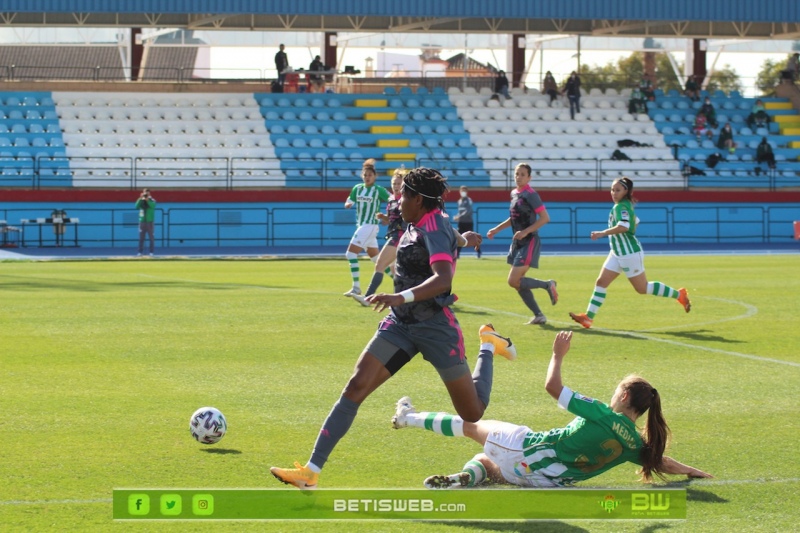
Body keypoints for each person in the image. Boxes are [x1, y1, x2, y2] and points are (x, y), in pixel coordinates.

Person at [270, 167, 514, 490]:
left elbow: (443, 278)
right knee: (356, 387)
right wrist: (465, 239)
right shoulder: (422, 222)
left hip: (435, 327)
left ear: (419, 199)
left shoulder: (434, 225)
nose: (397, 200)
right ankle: (311, 472)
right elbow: (453, 237)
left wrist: (399, 295)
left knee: (472, 412)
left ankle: (487, 344)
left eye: (403, 195)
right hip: (400, 325)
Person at [391, 330, 712, 489]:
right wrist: (691, 470)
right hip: (545, 480)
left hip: (525, 449)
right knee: (486, 464)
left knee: (469, 424)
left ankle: (408, 417)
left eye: (617, 390)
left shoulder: (602, 413)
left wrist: (558, 354)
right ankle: (463, 478)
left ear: (625, 396)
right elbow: (661, 461)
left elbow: (552, 388)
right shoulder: (634, 444)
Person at [569, 177, 691, 329]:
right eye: (612, 189)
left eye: (618, 190)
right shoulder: (623, 206)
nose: (613, 193)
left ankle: (680, 295)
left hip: (629, 253)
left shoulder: (621, 207)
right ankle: (588, 317)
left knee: (642, 288)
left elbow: (625, 226)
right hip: (617, 252)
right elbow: (635, 221)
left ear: (626, 191)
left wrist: (602, 233)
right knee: (601, 282)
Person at [486, 163, 558, 325]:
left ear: (529, 178)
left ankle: (547, 284)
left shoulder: (531, 195)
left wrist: (525, 232)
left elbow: (545, 218)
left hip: (530, 241)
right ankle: (539, 315)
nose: (519, 177)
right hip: (518, 243)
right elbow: (514, 218)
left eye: (522, 174)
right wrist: (497, 229)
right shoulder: (514, 193)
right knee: (518, 283)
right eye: (517, 174)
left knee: (513, 280)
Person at [352, 167, 407, 307]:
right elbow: (392, 220)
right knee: (397, 272)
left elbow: (409, 219)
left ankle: (367, 297)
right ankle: (407, 299)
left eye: (399, 184)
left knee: (380, 264)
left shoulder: (405, 200)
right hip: (395, 234)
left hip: (400, 237)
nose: (396, 186)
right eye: (394, 183)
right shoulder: (392, 200)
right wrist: (384, 218)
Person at [342, 159, 391, 298]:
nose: (367, 177)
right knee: (377, 260)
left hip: (370, 225)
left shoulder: (378, 190)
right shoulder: (357, 188)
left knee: (350, 254)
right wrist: (348, 204)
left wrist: (388, 216)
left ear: (375, 176)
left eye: (370, 175)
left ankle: (356, 287)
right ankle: (400, 282)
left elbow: (393, 200)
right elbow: (350, 199)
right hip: (363, 225)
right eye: (365, 175)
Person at [454, 185, 481, 259]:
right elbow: (460, 212)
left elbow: (468, 211)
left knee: (472, 237)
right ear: (459, 191)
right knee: (459, 237)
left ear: (467, 192)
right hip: (461, 222)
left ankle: (478, 252)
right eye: (462, 190)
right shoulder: (459, 201)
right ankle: (457, 254)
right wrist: (457, 216)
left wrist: (459, 216)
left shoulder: (469, 200)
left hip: (468, 222)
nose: (463, 192)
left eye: (464, 190)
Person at [135, 188, 156, 257]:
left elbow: (153, 206)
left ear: (150, 194)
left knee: (151, 238)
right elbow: (136, 206)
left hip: (150, 222)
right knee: (141, 238)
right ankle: (140, 252)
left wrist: (148, 201)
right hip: (142, 222)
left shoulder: (152, 200)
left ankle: (151, 252)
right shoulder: (141, 200)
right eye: (145, 193)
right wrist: (140, 198)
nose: (146, 194)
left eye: (148, 193)